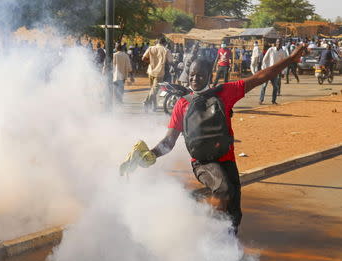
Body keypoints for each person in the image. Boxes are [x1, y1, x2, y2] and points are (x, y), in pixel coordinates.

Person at [120, 44, 307, 235]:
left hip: (227, 160)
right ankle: (208, 240)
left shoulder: (225, 93)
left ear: (209, 75)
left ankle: (229, 253)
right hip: (202, 163)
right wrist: (148, 156)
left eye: (200, 75)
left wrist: (291, 59)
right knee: (223, 189)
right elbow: (169, 141)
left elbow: (260, 77)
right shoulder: (182, 103)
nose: (194, 78)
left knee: (234, 214)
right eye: (191, 74)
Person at [142, 37, 173, 110]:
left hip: (150, 71)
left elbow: (143, 58)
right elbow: (170, 61)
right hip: (159, 73)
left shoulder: (150, 48)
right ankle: (147, 102)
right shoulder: (166, 50)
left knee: (152, 90)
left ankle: (154, 106)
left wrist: (150, 62)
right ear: (164, 43)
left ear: (158, 42)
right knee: (154, 90)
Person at [259, 39, 286, 105]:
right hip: (268, 71)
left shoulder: (282, 52)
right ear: (275, 43)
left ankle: (273, 101)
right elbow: (265, 59)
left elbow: (283, 63)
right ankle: (261, 100)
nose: (278, 43)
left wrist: (282, 72)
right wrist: (264, 69)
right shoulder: (271, 49)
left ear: (281, 44)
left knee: (275, 87)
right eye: (277, 42)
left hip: (275, 72)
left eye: (280, 42)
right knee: (264, 86)